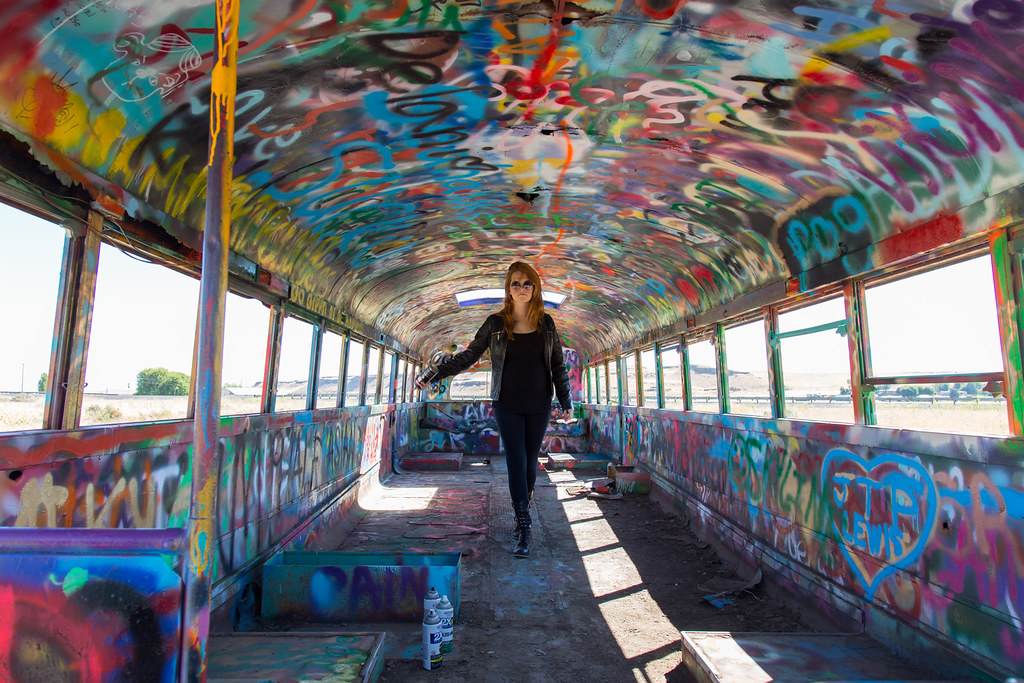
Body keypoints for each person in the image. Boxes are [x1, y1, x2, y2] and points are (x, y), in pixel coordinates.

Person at [416, 261, 573, 558]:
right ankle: (524, 523)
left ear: (535, 287)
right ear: (508, 288)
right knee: (516, 461)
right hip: (506, 402)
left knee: (530, 463)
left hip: (539, 402)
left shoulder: (547, 323)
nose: (522, 288)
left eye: (528, 283)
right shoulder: (495, 323)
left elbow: (557, 366)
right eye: (516, 283)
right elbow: (468, 357)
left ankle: (523, 506)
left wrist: (566, 401)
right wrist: (434, 374)